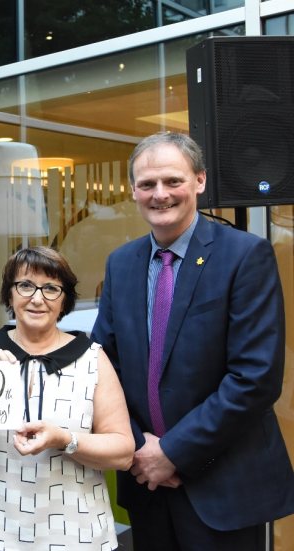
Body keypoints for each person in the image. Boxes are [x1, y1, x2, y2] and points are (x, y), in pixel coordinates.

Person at [91, 132, 294, 550]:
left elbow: (255, 379)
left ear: (199, 180)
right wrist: (138, 446)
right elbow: (101, 368)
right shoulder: (121, 264)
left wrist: (172, 453)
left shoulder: (245, 256)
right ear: (133, 191)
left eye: (173, 181)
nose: (160, 194)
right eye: (147, 184)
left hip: (224, 488)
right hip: (147, 482)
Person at [0, 246, 134, 551]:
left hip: (76, 535)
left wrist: (63, 439)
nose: (37, 298)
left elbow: (123, 452)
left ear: (65, 299)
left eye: (51, 288)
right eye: (26, 285)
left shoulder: (93, 359)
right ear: (10, 293)